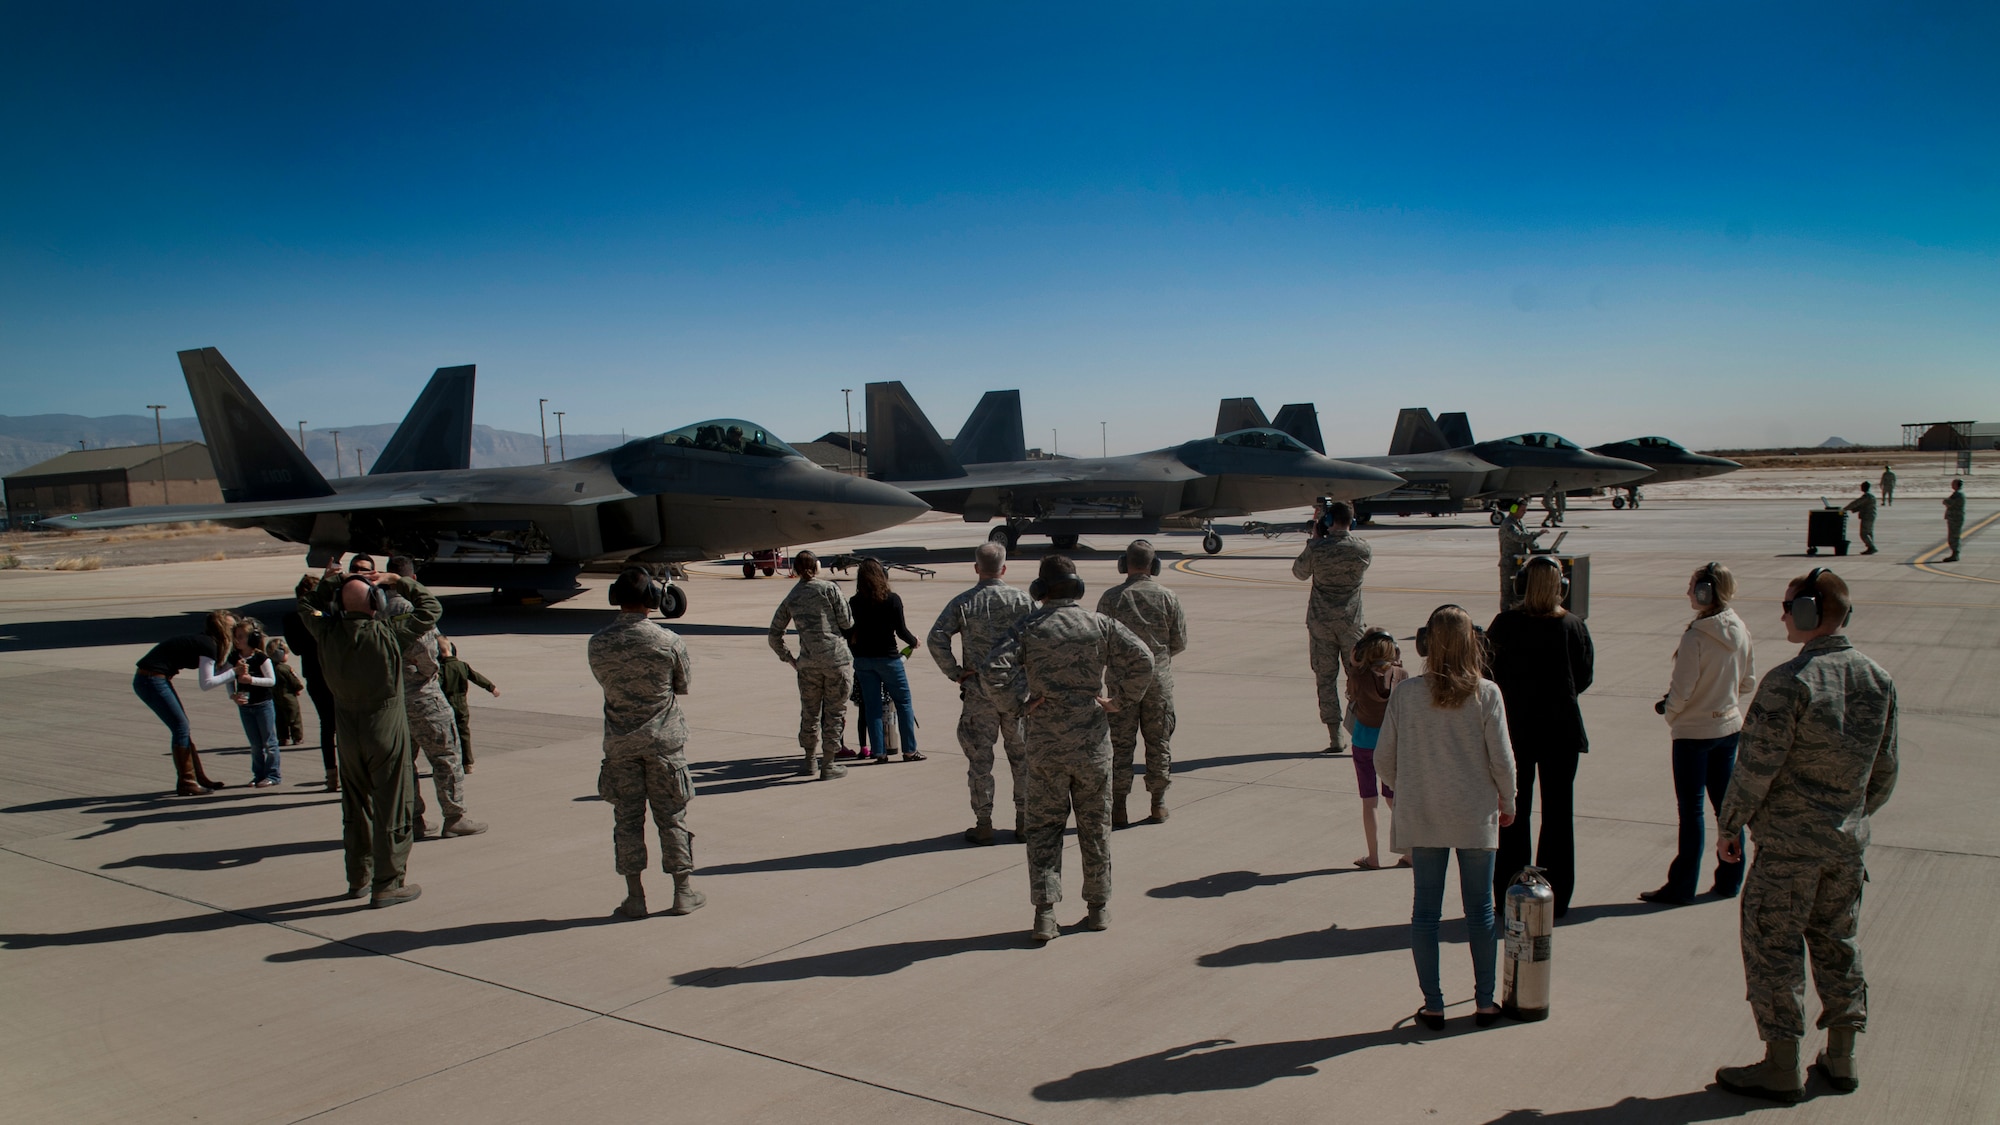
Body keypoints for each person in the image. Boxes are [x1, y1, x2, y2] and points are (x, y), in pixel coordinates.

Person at [1713, 569, 1897, 1102]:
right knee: (1838, 945)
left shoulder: (1790, 681)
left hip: (1789, 852)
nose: (1783, 614)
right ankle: (1842, 1057)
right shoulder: (1878, 679)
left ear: (1812, 613)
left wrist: (1730, 825)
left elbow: (1754, 768)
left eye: (1789, 605)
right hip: (1844, 848)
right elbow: (1884, 771)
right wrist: (1847, 818)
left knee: (1774, 950)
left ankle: (1781, 1064)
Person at [984, 555, 1153, 942]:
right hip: (1092, 745)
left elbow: (994, 670)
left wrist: (1018, 706)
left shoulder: (1028, 627)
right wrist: (1120, 700)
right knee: (1095, 827)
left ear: (1040, 590)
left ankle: (1045, 914)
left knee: (1045, 828)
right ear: (1077, 587)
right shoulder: (1099, 625)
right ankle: (1098, 908)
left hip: (1046, 748)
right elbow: (1143, 658)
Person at [1375, 604, 1516, 1030]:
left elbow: (1384, 758)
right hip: (1473, 814)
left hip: (1424, 814)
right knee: (1481, 912)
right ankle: (1485, 1002)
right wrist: (1507, 801)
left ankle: (1433, 1005)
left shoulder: (1407, 693)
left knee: (1425, 913)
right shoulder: (1486, 693)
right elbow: (1503, 761)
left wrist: (1409, 791)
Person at [294, 560, 441, 908]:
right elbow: (431, 608)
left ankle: (358, 876)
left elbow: (305, 606)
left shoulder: (325, 631)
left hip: (346, 725)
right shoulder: (389, 632)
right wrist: (397, 580)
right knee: (392, 803)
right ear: (376, 603)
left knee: (355, 804)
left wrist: (331, 583)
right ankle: (388, 883)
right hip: (384, 724)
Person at [588, 568, 704, 919]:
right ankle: (682, 892)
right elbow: (682, 685)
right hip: (663, 742)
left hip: (620, 746)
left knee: (626, 821)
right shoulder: (669, 641)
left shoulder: (598, 643)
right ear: (652, 600)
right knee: (672, 818)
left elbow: (605, 682)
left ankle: (635, 897)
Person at [1640, 563, 1757, 906]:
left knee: (1691, 812)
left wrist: (1672, 713)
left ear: (1707, 591)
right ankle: (1731, 877)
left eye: (1693, 586)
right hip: (1729, 727)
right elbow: (1748, 681)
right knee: (1726, 808)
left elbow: (1682, 690)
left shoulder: (1697, 636)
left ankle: (1682, 885)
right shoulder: (1739, 627)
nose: (1688, 592)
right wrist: (1724, 697)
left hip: (1694, 733)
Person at [1486, 555, 1595, 917]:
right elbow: (1583, 677)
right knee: (1559, 815)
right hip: (1561, 731)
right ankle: (1557, 895)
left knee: (1513, 814)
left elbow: (1489, 671)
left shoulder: (1505, 624)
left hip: (1517, 731)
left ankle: (1509, 890)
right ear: (1561, 587)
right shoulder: (1574, 626)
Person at [927, 541, 1035, 844]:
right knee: (1023, 759)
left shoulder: (964, 602)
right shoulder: (1022, 601)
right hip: (1016, 695)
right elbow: (1040, 639)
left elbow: (936, 639)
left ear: (977, 568)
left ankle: (984, 822)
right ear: (1004, 568)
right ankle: (1025, 821)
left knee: (980, 762)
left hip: (979, 694)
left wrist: (956, 673)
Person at [385, 557, 486, 839]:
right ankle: (455, 816)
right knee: (445, 756)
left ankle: (414, 819)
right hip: (422, 694)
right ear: (411, 578)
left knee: (406, 763)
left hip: (393, 697)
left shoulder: (376, 608)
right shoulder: (409, 608)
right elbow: (428, 655)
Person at [1095, 538, 1188, 828]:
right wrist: (1155, 660)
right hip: (1157, 683)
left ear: (1124, 565)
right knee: (1158, 743)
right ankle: (1158, 804)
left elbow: (1100, 643)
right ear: (1154, 566)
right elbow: (1179, 642)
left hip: (1121, 685)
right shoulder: (1168, 597)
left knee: (1120, 746)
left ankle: (1119, 808)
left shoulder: (1111, 598)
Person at [1292, 500, 1372, 753]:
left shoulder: (1318, 549)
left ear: (1328, 522)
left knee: (1326, 679)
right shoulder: (1362, 549)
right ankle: (1362, 732)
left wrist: (1314, 541)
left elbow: (1299, 572)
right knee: (1358, 678)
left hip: (1321, 624)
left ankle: (1335, 735)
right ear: (1352, 522)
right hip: (1351, 624)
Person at [132, 609, 239, 795]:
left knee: (182, 727)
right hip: (151, 679)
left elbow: (220, 672)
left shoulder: (207, 641)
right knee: (181, 727)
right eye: (232, 628)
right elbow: (207, 683)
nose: (235, 632)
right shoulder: (208, 645)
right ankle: (187, 782)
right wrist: (236, 672)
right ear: (222, 629)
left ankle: (198, 777)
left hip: (154, 678)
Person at [769, 550, 853, 780]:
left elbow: (774, 634)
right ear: (816, 567)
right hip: (836, 660)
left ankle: (809, 760)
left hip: (808, 664)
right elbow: (847, 622)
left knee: (810, 713)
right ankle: (828, 764)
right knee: (834, 713)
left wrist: (789, 658)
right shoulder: (829, 589)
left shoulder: (792, 597)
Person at [846, 558, 924, 763]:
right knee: (904, 703)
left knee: (872, 707)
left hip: (863, 660)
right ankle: (909, 750)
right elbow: (901, 630)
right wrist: (914, 641)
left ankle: (879, 752)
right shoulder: (892, 599)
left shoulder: (854, 602)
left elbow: (848, 632)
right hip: (888, 659)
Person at [1343, 628, 1410, 869]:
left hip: (1364, 743)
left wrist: (1353, 664)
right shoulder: (1402, 675)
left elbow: (1350, 693)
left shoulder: (1358, 677)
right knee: (1394, 799)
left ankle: (1373, 857)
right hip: (1392, 744)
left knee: (1369, 801)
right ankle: (1410, 852)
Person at [283, 598, 341, 792]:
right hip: (329, 674)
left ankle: (332, 774)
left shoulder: (295, 618)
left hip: (318, 676)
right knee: (338, 725)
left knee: (328, 726)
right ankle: (338, 774)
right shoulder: (320, 616)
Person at [228, 618, 282, 788]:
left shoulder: (261, 658)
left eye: (242, 636)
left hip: (262, 704)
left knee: (269, 743)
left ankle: (273, 774)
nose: (238, 640)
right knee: (255, 745)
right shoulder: (234, 658)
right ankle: (258, 774)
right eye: (236, 636)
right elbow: (229, 679)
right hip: (245, 705)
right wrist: (233, 695)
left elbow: (271, 681)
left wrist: (250, 679)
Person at [438, 636, 498, 774]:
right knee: (464, 733)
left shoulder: (441, 669)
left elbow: (436, 685)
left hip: (447, 704)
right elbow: (476, 677)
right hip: (462, 704)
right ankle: (468, 763)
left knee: (447, 735)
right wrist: (491, 687)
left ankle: (450, 763)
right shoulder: (462, 666)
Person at [1496, 503, 1543, 613]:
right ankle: (1504, 616)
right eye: (1522, 510)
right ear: (1514, 509)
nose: (1524, 512)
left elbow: (1527, 539)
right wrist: (1537, 534)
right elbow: (1520, 537)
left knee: (1518, 592)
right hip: (1508, 564)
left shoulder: (1520, 523)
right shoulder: (1508, 524)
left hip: (1519, 563)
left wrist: (1537, 549)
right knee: (1507, 593)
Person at [268, 638, 307, 747]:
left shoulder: (269, 668)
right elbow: (295, 682)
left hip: (276, 698)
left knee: (280, 719)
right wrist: (298, 688)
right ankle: (297, 737)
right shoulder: (286, 669)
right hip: (289, 698)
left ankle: (282, 738)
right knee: (294, 717)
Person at [1842, 482, 1878, 555]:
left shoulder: (1867, 496)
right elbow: (1862, 506)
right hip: (1870, 516)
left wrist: (1845, 509)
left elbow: (1856, 503)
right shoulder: (1871, 496)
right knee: (1869, 532)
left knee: (1864, 534)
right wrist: (1853, 509)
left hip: (1867, 517)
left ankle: (1872, 547)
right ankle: (1870, 548)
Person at [1943, 478, 1965, 562]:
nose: (1952, 485)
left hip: (1955, 518)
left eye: (1953, 484)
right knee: (1953, 536)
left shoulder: (1958, 494)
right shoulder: (1957, 494)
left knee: (1954, 536)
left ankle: (1955, 554)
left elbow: (1949, 502)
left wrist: (1945, 501)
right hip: (1954, 518)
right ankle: (1954, 553)